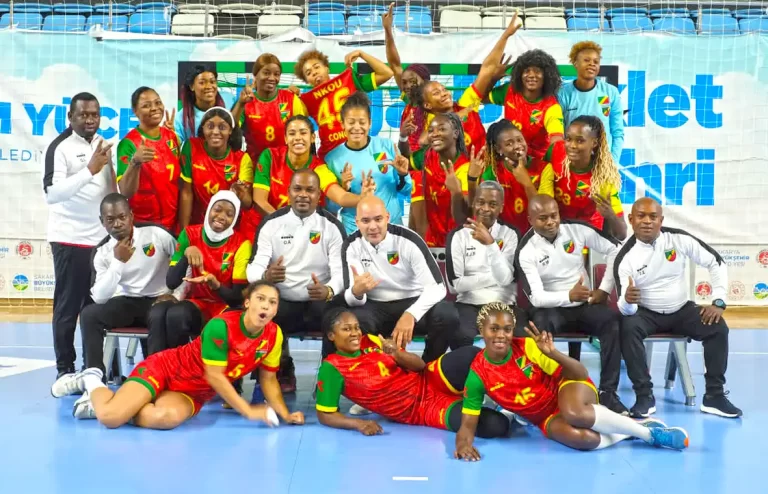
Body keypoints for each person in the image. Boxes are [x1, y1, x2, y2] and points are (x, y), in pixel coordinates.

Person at [54, 282, 305, 430]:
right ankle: (90, 381)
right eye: (260, 299)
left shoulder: (274, 335)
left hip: (192, 392)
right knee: (110, 419)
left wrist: (284, 413)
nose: (266, 306)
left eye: (272, 302)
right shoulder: (221, 326)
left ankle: (116, 402)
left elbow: (269, 379)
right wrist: (248, 411)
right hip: (165, 369)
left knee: (164, 418)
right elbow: (216, 377)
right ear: (247, 303)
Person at [454, 303, 689, 459]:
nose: (501, 335)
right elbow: (467, 424)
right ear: (481, 330)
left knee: (575, 413)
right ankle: (633, 430)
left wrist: (552, 353)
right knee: (583, 439)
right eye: (493, 329)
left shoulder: (527, 348)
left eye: (506, 329)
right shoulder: (477, 375)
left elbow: (578, 372)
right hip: (545, 417)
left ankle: (651, 436)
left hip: (568, 387)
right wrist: (462, 445)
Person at [616, 198, 742, 419]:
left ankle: (714, 396)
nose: (647, 221)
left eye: (653, 217)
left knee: (717, 327)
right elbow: (625, 310)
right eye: (641, 216)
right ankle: (644, 396)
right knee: (627, 327)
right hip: (646, 314)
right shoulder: (625, 257)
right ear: (631, 220)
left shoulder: (678, 239)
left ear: (661, 220)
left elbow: (717, 262)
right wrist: (627, 300)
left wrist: (719, 301)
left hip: (682, 310)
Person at [49, 193, 181, 391]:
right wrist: (118, 262)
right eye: (110, 219)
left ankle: (154, 378)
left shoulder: (156, 234)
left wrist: (176, 294)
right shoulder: (102, 251)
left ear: (131, 216)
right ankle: (95, 379)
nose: (117, 224)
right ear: (102, 222)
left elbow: (184, 262)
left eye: (122, 217)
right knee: (89, 315)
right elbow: (100, 297)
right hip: (128, 301)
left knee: (159, 313)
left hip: (159, 300)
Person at [316, 309, 509, 437]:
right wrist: (358, 424)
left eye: (357, 327)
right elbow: (325, 414)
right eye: (346, 329)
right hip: (422, 410)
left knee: (472, 354)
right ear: (331, 335)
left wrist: (396, 352)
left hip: (429, 380)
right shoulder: (332, 367)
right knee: (497, 426)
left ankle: (511, 398)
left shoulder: (373, 341)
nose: (355, 333)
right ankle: (487, 405)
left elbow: (419, 366)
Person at [515, 195, 627, 414]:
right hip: (550, 308)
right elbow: (536, 297)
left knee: (611, 322)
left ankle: (608, 393)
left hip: (583, 305)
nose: (550, 222)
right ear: (530, 220)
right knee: (540, 328)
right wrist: (569, 296)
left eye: (554, 216)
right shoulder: (526, 250)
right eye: (542, 218)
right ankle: (544, 392)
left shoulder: (577, 230)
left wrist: (604, 290)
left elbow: (615, 250)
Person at [247, 170, 347, 392]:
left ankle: (328, 378)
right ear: (288, 192)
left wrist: (329, 290)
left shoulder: (331, 226)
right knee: (263, 309)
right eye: (298, 189)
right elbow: (252, 268)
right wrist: (266, 276)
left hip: (319, 302)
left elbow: (342, 272)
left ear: (319, 195)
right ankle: (277, 372)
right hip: (284, 301)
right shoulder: (271, 224)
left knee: (337, 318)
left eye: (310, 190)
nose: (303, 195)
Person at [43, 92, 116, 381]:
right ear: (70, 117)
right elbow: (52, 193)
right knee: (68, 306)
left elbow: (113, 189)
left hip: (100, 241)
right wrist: (89, 170)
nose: (89, 120)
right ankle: (64, 369)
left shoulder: (103, 144)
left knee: (95, 308)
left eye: (94, 114)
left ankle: (93, 367)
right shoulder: (59, 147)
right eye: (83, 114)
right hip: (69, 239)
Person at [342, 196, 461, 364]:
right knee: (354, 320)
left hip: (413, 301)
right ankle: (373, 370)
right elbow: (351, 299)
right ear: (357, 222)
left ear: (388, 218)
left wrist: (411, 314)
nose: (373, 227)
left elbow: (437, 288)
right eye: (366, 221)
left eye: (378, 219)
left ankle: (428, 366)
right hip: (375, 306)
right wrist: (357, 292)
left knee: (447, 315)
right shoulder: (351, 245)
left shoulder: (408, 240)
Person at [148, 191, 251, 355]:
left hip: (224, 306)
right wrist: (186, 255)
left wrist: (216, 285)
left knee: (177, 314)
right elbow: (172, 282)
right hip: (197, 303)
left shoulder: (242, 244)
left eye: (229, 214)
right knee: (160, 311)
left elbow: (238, 298)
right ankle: (159, 369)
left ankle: (181, 368)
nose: (222, 216)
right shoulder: (189, 235)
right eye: (217, 209)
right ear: (209, 209)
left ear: (235, 219)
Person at [445, 181, 526, 344]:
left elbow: (507, 279)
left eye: (493, 204)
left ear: (501, 207)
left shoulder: (511, 234)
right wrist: (495, 277)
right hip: (468, 305)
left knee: (524, 338)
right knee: (459, 335)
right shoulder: (458, 236)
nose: (486, 208)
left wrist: (491, 244)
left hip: (504, 305)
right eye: (481, 202)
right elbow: (455, 286)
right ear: (473, 202)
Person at [253, 115, 375, 218]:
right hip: (272, 225)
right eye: (292, 133)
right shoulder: (270, 156)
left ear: (312, 138)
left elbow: (341, 197)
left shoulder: (319, 168)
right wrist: (282, 224)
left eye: (303, 133)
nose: (297, 138)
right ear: (285, 138)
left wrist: (362, 197)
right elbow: (259, 200)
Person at [324, 92, 412, 234]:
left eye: (362, 122)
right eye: (351, 122)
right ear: (342, 124)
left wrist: (403, 174)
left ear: (370, 123)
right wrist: (344, 187)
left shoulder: (387, 146)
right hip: (355, 232)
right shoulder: (333, 159)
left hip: (391, 227)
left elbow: (406, 190)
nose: (357, 127)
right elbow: (332, 208)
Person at [480, 16, 565, 161]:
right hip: (510, 156)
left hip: (537, 162)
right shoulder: (510, 90)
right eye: (527, 71)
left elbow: (557, 140)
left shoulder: (551, 106)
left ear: (547, 76)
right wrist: (493, 78)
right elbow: (481, 97)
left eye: (537, 71)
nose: (531, 75)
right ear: (519, 74)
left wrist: (550, 165)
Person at [294, 48, 393, 158]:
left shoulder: (349, 81)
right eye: (309, 73)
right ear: (307, 81)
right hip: (330, 157)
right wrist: (291, 96)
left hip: (359, 149)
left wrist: (361, 54)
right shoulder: (306, 101)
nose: (314, 72)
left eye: (317, 67)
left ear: (327, 68)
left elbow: (387, 73)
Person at [178, 107, 258, 239]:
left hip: (227, 229)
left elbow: (247, 204)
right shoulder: (191, 148)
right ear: (203, 128)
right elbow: (186, 193)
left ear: (230, 131)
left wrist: (241, 193)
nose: (215, 132)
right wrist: (185, 233)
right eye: (210, 126)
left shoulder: (242, 159)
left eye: (222, 127)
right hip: (197, 225)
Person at [545, 116, 626, 240]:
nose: (572, 145)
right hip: (555, 231)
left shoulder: (603, 178)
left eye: (580, 141)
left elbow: (622, 234)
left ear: (594, 143)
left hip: (588, 236)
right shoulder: (555, 151)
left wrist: (610, 215)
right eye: (568, 139)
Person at [470, 119, 556, 234]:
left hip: (536, 237)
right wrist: (471, 179)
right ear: (498, 149)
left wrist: (527, 183)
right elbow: (482, 213)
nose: (517, 146)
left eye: (520, 140)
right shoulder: (492, 173)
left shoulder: (544, 169)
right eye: (509, 143)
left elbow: (545, 212)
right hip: (503, 238)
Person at [117, 86, 181, 233]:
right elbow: (126, 192)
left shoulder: (171, 136)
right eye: (146, 105)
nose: (154, 108)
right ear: (135, 111)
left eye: (158, 103)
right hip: (143, 227)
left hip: (173, 226)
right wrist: (135, 162)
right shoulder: (128, 144)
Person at [231, 53, 307, 164]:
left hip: (285, 166)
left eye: (276, 74)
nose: (272, 78)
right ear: (255, 75)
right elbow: (230, 128)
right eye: (266, 73)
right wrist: (240, 104)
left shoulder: (291, 99)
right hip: (255, 167)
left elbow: (304, 132)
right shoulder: (246, 102)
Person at [409, 113, 472, 246]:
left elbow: (464, 216)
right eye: (431, 131)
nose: (435, 134)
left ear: (455, 134)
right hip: (431, 238)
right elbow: (406, 161)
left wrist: (456, 193)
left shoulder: (464, 168)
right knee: (416, 178)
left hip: (456, 241)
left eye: (442, 129)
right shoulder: (427, 155)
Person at [558, 41, 624, 163]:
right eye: (586, 60)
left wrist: (612, 162)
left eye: (596, 61)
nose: (592, 64)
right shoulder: (563, 94)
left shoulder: (610, 92)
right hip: (572, 163)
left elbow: (617, 131)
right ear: (575, 63)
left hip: (603, 163)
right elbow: (558, 133)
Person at [381, 3, 431, 155]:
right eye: (404, 83)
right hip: (408, 162)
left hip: (427, 165)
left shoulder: (434, 107)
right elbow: (395, 65)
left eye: (413, 81)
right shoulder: (409, 102)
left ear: (425, 81)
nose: (408, 86)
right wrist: (388, 30)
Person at [175, 65, 236, 142]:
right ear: (192, 86)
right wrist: (169, 134)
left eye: (212, 82)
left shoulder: (229, 101)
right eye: (202, 82)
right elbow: (176, 147)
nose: (209, 86)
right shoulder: (181, 118)